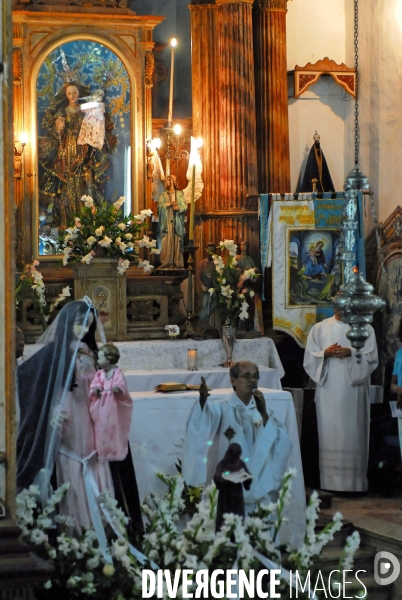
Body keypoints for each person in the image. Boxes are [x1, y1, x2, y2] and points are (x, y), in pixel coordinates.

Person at [16, 300, 142, 537]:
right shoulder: (64, 354)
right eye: (78, 324)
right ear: (66, 324)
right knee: (73, 464)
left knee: (94, 464)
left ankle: (98, 528)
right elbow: (37, 378)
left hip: (92, 420)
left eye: (88, 325)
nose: (83, 330)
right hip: (73, 420)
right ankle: (77, 529)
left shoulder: (90, 354)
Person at [182, 361, 293, 513]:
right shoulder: (221, 407)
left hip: (257, 484)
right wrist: (202, 402)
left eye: (255, 376)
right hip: (228, 486)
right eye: (246, 376)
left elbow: (282, 441)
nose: (252, 380)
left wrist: (264, 415)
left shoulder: (261, 409)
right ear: (233, 380)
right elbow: (203, 421)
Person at [304, 308, 378, 492]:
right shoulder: (319, 328)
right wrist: (325, 353)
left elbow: (371, 357)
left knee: (352, 431)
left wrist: (351, 353)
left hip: (353, 391)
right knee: (330, 432)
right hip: (328, 390)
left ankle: (354, 483)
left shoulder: (365, 328)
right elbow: (309, 357)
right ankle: (329, 483)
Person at [39, 81, 116, 228]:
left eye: (75, 93)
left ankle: (85, 219)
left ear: (79, 93)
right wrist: (59, 128)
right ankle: (67, 221)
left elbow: (94, 125)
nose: (73, 96)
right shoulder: (62, 111)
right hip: (67, 149)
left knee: (83, 180)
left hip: (83, 147)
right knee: (68, 181)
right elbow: (56, 134)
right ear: (66, 95)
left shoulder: (85, 109)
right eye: (69, 93)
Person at [89, 343, 133, 461]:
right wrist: (96, 390)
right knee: (102, 429)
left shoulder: (117, 372)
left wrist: (118, 388)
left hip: (113, 406)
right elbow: (95, 385)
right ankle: (103, 451)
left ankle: (115, 451)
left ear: (108, 359)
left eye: (99, 358)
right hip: (101, 407)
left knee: (114, 429)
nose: (97, 360)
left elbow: (121, 384)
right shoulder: (100, 374)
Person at [213, 442, 252, 531]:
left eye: (238, 456)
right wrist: (226, 480)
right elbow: (216, 478)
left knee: (238, 520)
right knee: (224, 521)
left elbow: (247, 475)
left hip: (237, 496)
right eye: (234, 456)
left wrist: (247, 478)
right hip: (225, 497)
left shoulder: (240, 463)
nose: (236, 458)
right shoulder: (223, 464)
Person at [157, 174, 187, 268]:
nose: (167, 182)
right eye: (167, 180)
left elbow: (184, 206)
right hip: (166, 221)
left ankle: (177, 261)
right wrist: (170, 204)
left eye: (169, 180)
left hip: (176, 221)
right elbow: (159, 207)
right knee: (166, 240)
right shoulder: (163, 195)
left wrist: (177, 207)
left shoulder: (179, 194)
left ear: (173, 182)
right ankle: (166, 261)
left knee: (176, 240)